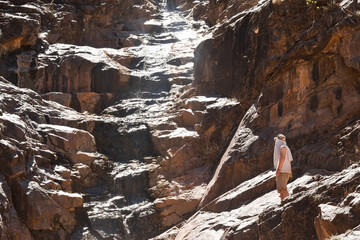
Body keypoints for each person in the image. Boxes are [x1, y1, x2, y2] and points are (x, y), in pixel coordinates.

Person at [273, 134, 293, 201]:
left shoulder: (282, 147)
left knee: (283, 189)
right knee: (281, 190)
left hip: (282, 170)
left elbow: (282, 158)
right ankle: (283, 204)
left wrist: (278, 169)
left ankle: (289, 203)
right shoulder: (283, 146)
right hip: (282, 170)